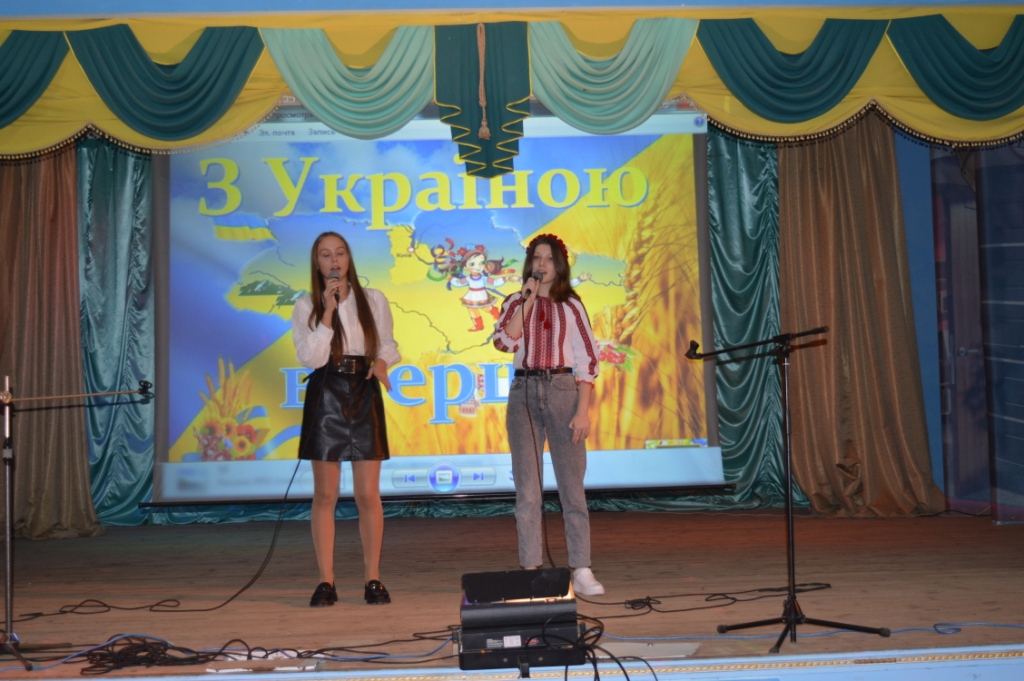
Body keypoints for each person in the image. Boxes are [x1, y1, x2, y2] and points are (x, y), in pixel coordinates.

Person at [291, 231, 400, 607]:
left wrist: (382, 362)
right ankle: (326, 581)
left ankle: (373, 578)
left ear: (349, 259)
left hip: (363, 390)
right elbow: (311, 358)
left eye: (340, 253)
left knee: (367, 494)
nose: (334, 260)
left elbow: (387, 344)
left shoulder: (374, 299)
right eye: (325, 255)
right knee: (326, 494)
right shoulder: (305, 305)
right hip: (326, 393)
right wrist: (327, 311)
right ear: (316, 263)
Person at [492, 234, 604, 596]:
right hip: (523, 393)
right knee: (527, 490)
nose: (542, 264)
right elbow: (504, 342)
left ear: (560, 265)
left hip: (562, 391)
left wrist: (582, 410)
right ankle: (530, 570)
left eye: (549, 259)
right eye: (536, 258)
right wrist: (526, 300)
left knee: (572, 488)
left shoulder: (571, 305)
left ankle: (581, 568)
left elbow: (588, 360)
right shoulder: (515, 301)